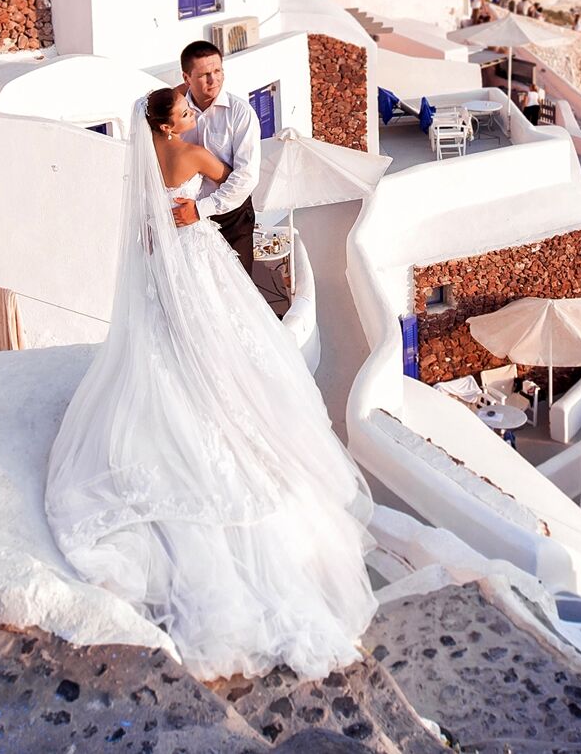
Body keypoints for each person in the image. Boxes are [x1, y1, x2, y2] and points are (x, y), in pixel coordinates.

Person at [45, 85, 377, 679]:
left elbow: (146, 230)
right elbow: (232, 176)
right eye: (186, 112)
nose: (194, 116)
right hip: (196, 255)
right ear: (171, 125)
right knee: (221, 344)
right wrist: (200, 196)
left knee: (170, 345)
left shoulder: (143, 159)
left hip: (159, 263)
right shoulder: (190, 154)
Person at [170, 43, 259, 273]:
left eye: (218, 71)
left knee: (239, 290)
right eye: (204, 75)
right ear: (186, 77)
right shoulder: (174, 112)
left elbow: (246, 176)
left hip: (232, 217)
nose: (214, 80)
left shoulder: (241, 113)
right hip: (185, 219)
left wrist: (200, 209)